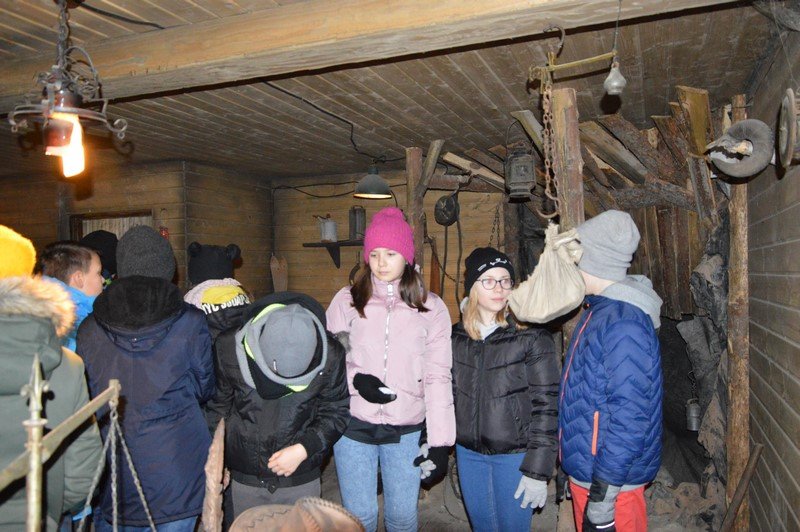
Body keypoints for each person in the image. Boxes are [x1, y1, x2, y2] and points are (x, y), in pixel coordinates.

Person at [77, 225, 215, 531]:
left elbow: (87, 395)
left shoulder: (89, 328)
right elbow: (205, 387)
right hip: (177, 467)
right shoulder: (191, 321)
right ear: (167, 267)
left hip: (115, 467)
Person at [325, 207, 454, 532]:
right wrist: (357, 380)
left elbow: (438, 376)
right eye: (374, 254)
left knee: (402, 517)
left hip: (405, 430)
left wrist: (440, 442)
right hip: (353, 426)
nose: (381, 262)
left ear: (407, 257)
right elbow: (331, 361)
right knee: (359, 518)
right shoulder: (347, 302)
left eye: (391, 253)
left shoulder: (430, 308)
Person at [558, 210, 663, 532]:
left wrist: (603, 496)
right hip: (591, 473)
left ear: (591, 261)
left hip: (611, 486)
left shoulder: (624, 325)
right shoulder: (601, 311)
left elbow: (630, 418)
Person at [205, 291, 350, 521]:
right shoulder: (228, 348)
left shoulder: (331, 355)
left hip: (300, 475)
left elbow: (336, 409)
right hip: (244, 478)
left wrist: (305, 448)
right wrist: (217, 460)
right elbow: (218, 408)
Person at [0, 225, 103, 531]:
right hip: (42, 514)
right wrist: (56, 509)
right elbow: (82, 467)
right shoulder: (65, 353)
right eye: (99, 273)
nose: (104, 280)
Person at [451, 247, 559, 532]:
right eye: (488, 280)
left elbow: (547, 406)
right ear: (472, 287)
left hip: (515, 457)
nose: (499, 288)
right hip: (468, 453)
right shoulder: (456, 337)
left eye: (505, 280)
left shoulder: (532, 337)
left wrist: (538, 470)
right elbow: (444, 394)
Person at [35, 241, 104, 351]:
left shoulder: (38, 313)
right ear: (79, 278)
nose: (103, 280)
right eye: (99, 273)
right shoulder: (76, 330)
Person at [183, 241, 250, 341]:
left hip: (211, 345)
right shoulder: (240, 291)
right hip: (241, 342)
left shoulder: (195, 295)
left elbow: (185, 326)